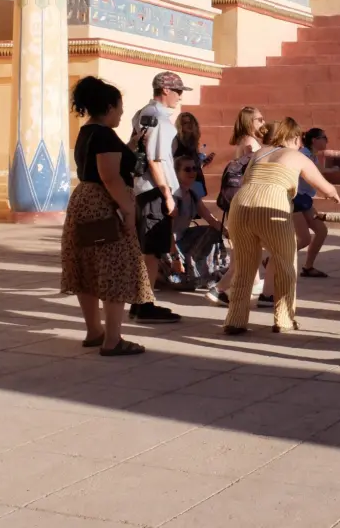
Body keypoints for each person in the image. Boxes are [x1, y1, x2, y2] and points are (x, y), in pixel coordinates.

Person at [223, 118, 340, 335]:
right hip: (273, 204)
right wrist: (335, 196)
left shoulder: (260, 153)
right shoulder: (297, 156)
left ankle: (235, 319)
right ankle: (284, 319)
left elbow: (245, 180)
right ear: (294, 138)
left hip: (241, 205)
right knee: (286, 263)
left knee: (245, 266)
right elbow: (325, 187)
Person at [60, 77, 152, 356]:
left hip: (83, 201)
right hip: (104, 202)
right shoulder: (104, 135)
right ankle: (113, 339)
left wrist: (129, 145)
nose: (122, 114)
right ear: (109, 106)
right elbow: (110, 177)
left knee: (87, 266)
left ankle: (94, 331)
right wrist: (127, 210)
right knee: (115, 268)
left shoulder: (88, 132)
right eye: (120, 108)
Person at [130, 71, 190, 324]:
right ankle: (144, 303)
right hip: (155, 188)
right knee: (152, 250)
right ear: (165, 90)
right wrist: (167, 195)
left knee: (149, 248)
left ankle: (140, 301)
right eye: (177, 91)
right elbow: (156, 159)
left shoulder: (142, 113)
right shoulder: (160, 121)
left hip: (144, 188)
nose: (179, 97)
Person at [207, 106, 266, 306]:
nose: (262, 123)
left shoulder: (244, 141)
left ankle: (254, 288)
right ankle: (219, 289)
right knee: (244, 254)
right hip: (246, 199)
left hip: (237, 201)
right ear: (250, 121)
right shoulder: (250, 143)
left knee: (246, 250)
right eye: (259, 119)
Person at [166, 155, 224, 289]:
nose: (193, 172)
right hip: (170, 246)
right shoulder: (172, 197)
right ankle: (172, 272)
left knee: (213, 232)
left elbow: (210, 218)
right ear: (176, 172)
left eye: (195, 168)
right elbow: (167, 232)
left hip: (184, 239)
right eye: (187, 169)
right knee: (184, 284)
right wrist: (175, 259)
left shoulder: (192, 194)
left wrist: (229, 233)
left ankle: (206, 274)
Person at [295, 128, 331, 278]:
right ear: (314, 140)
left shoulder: (312, 156)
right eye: (324, 138)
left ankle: (308, 266)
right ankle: (271, 260)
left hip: (305, 199)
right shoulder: (303, 155)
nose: (326, 141)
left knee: (321, 231)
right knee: (304, 239)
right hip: (295, 199)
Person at [173, 111, 211, 199]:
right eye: (185, 123)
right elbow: (171, 160)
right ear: (180, 125)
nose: (189, 125)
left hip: (195, 178)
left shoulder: (193, 141)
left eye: (191, 122)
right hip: (183, 180)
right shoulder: (176, 140)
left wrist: (203, 162)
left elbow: (195, 163)